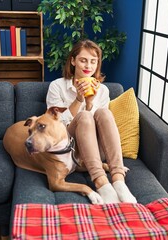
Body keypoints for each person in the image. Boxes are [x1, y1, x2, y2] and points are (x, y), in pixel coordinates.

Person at [46, 39, 137, 204]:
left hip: (96, 149)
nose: (88, 66)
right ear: (73, 61)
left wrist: (90, 103)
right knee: (85, 116)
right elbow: (57, 125)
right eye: (83, 60)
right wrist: (79, 101)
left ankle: (118, 180)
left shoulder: (103, 90)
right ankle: (101, 182)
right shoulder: (57, 86)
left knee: (103, 112)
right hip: (70, 147)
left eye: (93, 61)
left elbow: (101, 126)